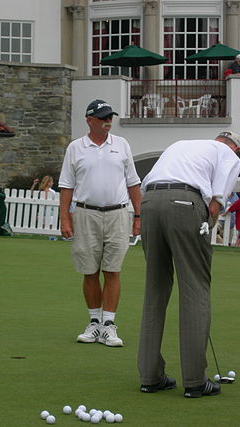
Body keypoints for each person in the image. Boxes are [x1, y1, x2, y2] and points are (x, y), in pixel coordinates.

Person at [138, 131, 240, 398]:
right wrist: (206, 228)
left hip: (149, 203)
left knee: (155, 290)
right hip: (185, 203)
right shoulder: (228, 156)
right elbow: (215, 203)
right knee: (195, 288)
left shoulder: (182, 144)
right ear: (235, 149)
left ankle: (150, 377)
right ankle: (196, 380)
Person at [59, 99, 141, 347]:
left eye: (110, 117)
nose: (108, 121)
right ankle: (94, 322)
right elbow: (66, 184)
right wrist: (65, 217)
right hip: (85, 214)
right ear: (89, 120)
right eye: (103, 117)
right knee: (89, 270)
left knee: (112, 269)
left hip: (118, 213)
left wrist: (138, 216)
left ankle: (108, 325)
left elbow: (133, 182)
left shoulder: (122, 145)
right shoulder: (75, 147)